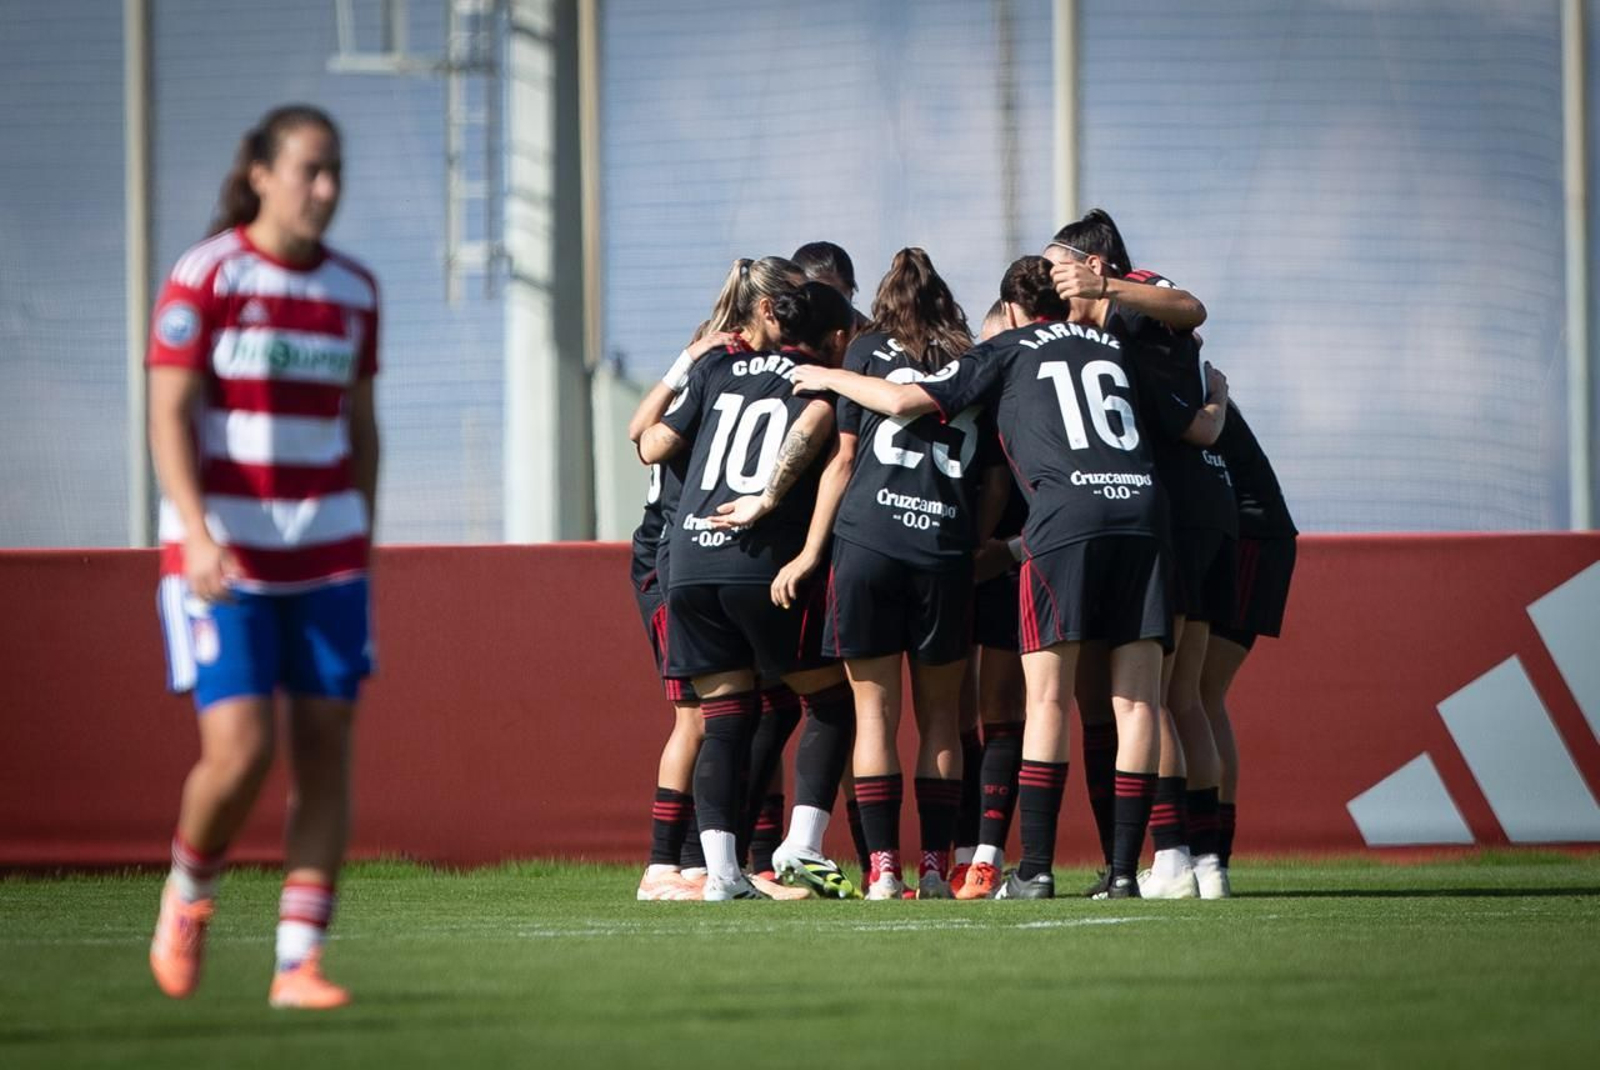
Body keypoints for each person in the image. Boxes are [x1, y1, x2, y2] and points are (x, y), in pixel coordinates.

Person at [793, 256, 1173, 900]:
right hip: (1132, 512)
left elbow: (905, 402)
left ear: (1018, 310)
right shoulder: (1110, 343)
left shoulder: (1002, 348)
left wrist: (829, 374)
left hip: (957, 531)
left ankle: (1007, 869)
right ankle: (1121, 871)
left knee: (910, 712)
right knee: (1135, 703)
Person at [147, 104, 378, 1009]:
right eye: (309, 170)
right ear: (261, 175)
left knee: (325, 750)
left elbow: (361, 429)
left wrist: (362, 537)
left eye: (334, 172)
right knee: (240, 755)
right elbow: (168, 414)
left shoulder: (355, 290)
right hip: (225, 558)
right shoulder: (205, 276)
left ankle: (298, 964)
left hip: (328, 559)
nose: (324, 189)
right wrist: (197, 530)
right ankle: (189, 894)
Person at [760, 248, 1003, 900]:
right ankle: (933, 868)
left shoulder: (863, 350)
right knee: (943, 721)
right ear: (945, 303)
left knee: (873, 716)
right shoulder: (977, 358)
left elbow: (840, 463)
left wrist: (812, 552)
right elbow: (997, 473)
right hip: (942, 554)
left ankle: (883, 870)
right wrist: (978, 540)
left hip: (866, 544)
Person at [638, 273, 857, 901]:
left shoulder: (716, 371)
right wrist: (766, 499)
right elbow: (814, 424)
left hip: (686, 559)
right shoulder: (819, 381)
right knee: (832, 703)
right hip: (752, 562)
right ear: (832, 339)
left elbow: (650, 443)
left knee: (724, 716)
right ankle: (800, 845)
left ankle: (723, 875)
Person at [1046, 210, 1233, 899]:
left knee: (1151, 698)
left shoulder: (1139, 293)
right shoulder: (1097, 329)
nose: (1055, 281)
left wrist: (1108, 289)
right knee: (1179, 697)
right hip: (1174, 507)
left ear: (1094, 263)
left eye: (1061, 267)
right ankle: (1205, 865)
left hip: (1173, 511)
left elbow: (1191, 307)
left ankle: (1178, 854)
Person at [626, 328, 736, 901]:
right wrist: (691, 357)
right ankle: (664, 865)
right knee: (694, 718)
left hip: (685, 562)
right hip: (667, 566)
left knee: (731, 713)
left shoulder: (703, 387)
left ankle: (707, 863)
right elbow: (640, 438)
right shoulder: (701, 390)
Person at [1200, 398, 1298, 894]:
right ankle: (1211, 860)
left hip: (1251, 536)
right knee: (1199, 697)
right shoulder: (1190, 377)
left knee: (1195, 695)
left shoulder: (1179, 378)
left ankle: (1206, 858)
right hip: (1246, 535)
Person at [952, 301, 1029, 900]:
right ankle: (960, 854)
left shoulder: (1037, 398)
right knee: (953, 714)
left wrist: (1004, 548)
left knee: (1003, 711)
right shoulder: (970, 396)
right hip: (957, 566)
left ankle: (987, 856)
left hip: (1011, 565)